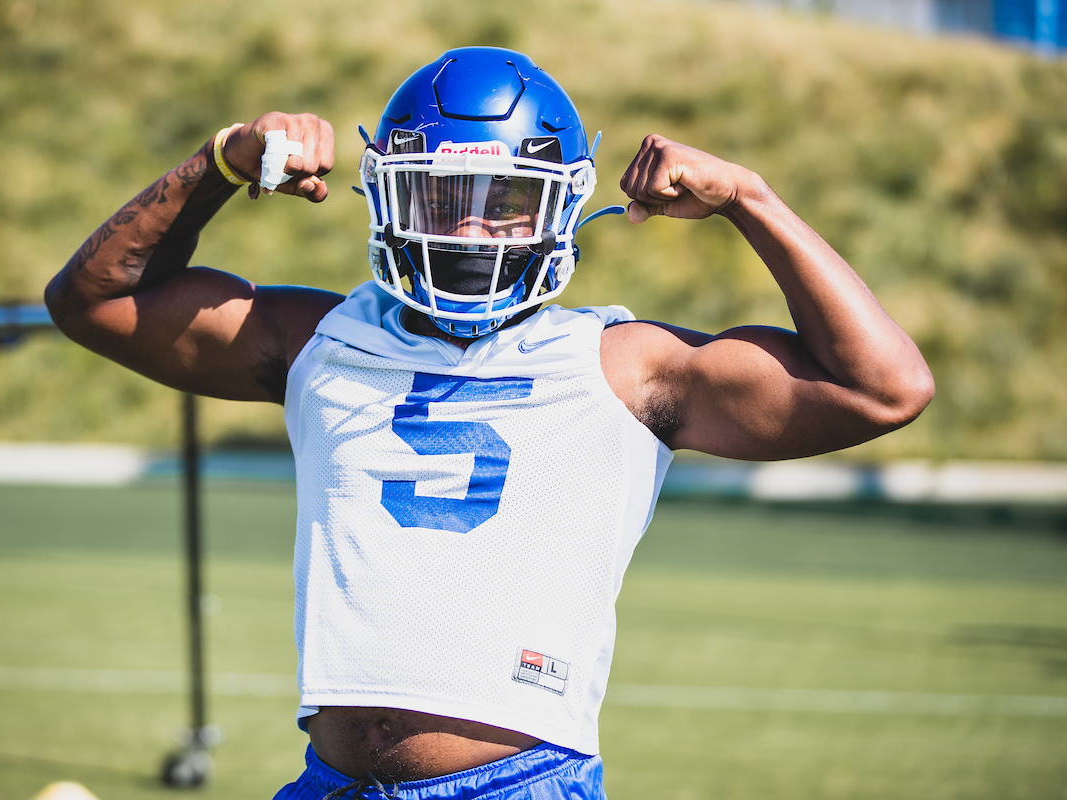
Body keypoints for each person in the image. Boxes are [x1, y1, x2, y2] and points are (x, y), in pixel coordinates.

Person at [45, 47, 933, 799]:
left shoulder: (627, 364)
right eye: (443, 198)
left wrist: (750, 199)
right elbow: (92, 300)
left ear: (558, 208)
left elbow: (883, 387)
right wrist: (222, 164)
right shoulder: (321, 338)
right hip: (329, 779)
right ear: (390, 198)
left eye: (503, 201)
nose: (472, 229)